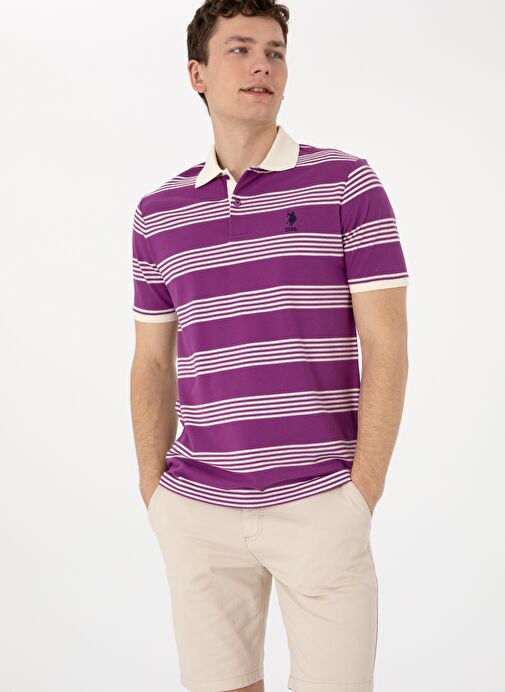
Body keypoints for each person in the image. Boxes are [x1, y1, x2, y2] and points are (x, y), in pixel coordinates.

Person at [129, 1, 409, 690]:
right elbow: (153, 361)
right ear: (196, 73)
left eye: (274, 52)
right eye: (240, 49)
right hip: (197, 510)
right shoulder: (157, 214)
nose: (262, 65)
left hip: (321, 502)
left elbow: (387, 345)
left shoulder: (346, 184)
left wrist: (362, 492)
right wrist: (155, 494)